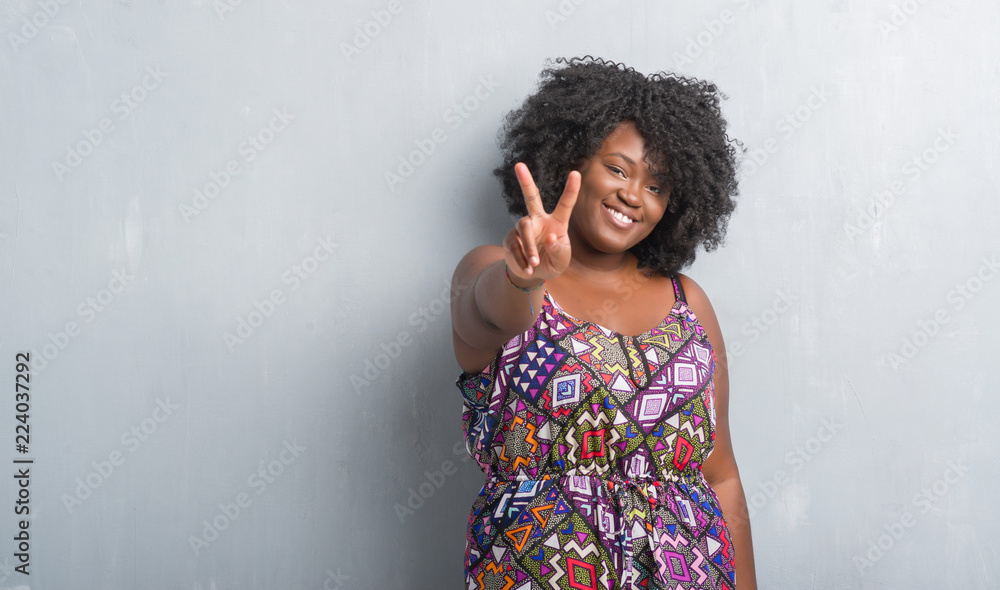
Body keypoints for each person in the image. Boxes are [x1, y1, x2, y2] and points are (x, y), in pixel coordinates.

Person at [450, 56, 757, 589]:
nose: (633, 195)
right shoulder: (490, 271)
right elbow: (489, 314)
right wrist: (526, 278)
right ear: (572, 161)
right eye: (617, 168)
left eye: (657, 186)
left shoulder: (689, 303)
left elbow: (721, 473)